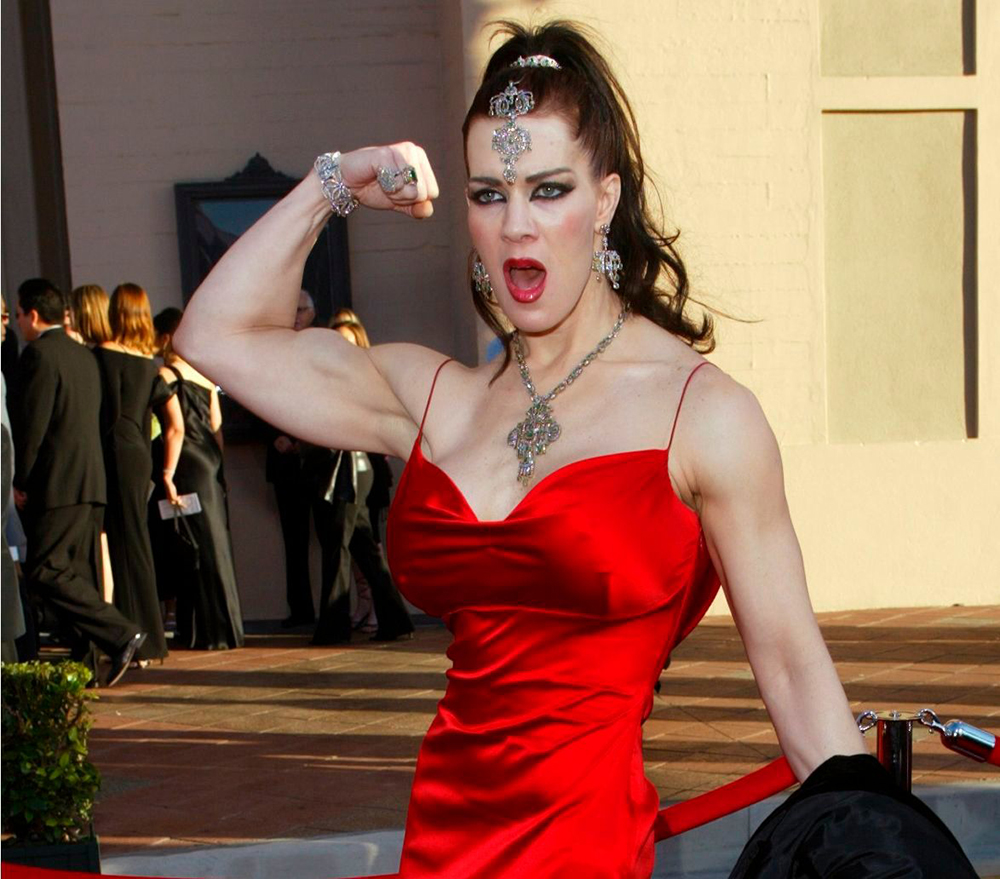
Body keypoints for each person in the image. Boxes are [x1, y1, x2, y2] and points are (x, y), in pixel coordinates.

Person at [172, 20, 970, 877]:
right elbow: (214, 335)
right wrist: (339, 180)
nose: (516, 226)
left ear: (606, 202)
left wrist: (875, 846)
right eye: (487, 194)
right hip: (439, 847)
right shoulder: (432, 398)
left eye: (547, 189)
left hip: (584, 851)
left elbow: (790, 665)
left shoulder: (701, 415)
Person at [12, 278, 145, 687]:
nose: (17, 323)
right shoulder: (83, 356)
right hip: (91, 480)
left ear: (33, 315)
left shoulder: (39, 356)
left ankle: (120, 632)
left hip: (57, 484)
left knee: (46, 571)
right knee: (80, 572)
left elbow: (33, 425)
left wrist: (21, 479)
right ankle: (86, 662)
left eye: (17, 315)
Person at [95, 283, 184, 664]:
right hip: (138, 457)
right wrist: (166, 472)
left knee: (109, 543)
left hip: (106, 453)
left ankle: (122, 634)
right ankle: (148, 639)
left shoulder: (97, 357)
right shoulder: (147, 366)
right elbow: (176, 425)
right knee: (136, 542)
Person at [151, 309, 244, 650]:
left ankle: (203, 632)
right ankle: (225, 628)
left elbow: (175, 429)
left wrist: (167, 473)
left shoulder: (166, 373)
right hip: (209, 462)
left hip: (186, 462)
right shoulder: (205, 374)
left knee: (193, 548)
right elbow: (217, 429)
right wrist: (220, 468)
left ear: (164, 337)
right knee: (215, 544)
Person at [326, 309, 414, 643]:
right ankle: (385, 616)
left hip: (361, 470)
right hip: (348, 468)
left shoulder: (367, 377)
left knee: (361, 545)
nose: (340, 347)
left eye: (346, 341)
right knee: (362, 546)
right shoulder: (334, 378)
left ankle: (366, 618)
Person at [264, 289, 339, 628]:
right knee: (293, 540)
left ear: (313, 311)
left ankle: (334, 609)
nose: (295, 316)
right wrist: (274, 435)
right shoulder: (272, 347)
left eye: (301, 310)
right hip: (284, 460)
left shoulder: (324, 344)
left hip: (318, 456)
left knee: (330, 538)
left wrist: (300, 435)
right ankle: (301, 610)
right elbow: (259, 394)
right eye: (289, 309)